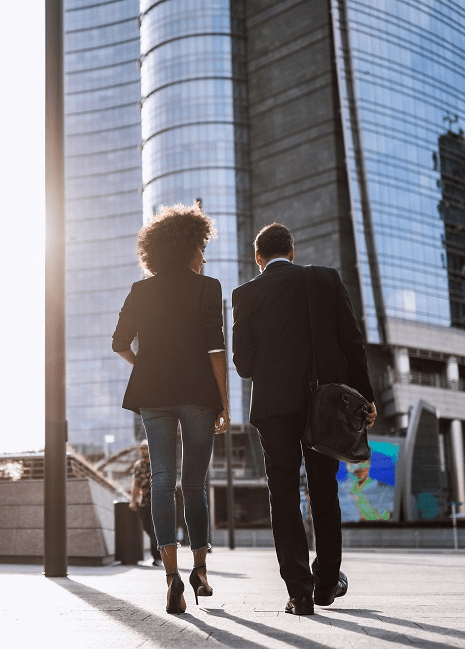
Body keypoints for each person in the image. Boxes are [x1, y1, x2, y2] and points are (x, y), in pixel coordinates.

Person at [232, 223, 377, 615]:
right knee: (323, 489)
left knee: (282, 492)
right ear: (292, 251)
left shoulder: (245, 294)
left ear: (258, 258)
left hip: (273, 406)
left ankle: (298, 591)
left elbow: (244, 366)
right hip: (324, 404)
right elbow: (353, 342)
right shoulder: (325, 279)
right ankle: (327, 582)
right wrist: (365, 399)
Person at [112, 202, 229, 614]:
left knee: (161, 482)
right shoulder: (207, 287)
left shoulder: (140, 290)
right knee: (193, 484)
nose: (204, 256)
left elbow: (119, 343)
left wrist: (145, 365)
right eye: (201, 247)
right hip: (198, 394)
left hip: (153, 395)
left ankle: (170, 578)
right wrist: (224, 403)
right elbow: (217, 349)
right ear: (187, 248)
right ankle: (200, 571)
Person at [129, 440, 162, 566]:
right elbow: (136, 484)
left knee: (154, 530)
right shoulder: (138, 465)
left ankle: (157, 557)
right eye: (141, 449)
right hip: (144, 502)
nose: (143, 451)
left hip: (158, 502)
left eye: (145, 448)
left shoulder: (158, 463)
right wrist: (133, 500)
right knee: (146, 528)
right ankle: (159, 553)